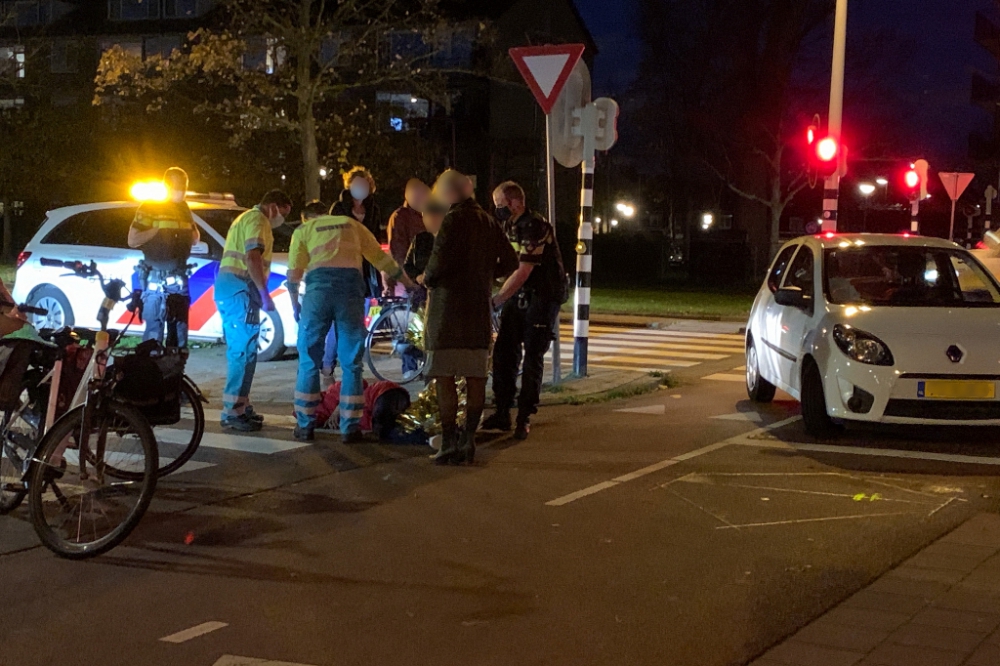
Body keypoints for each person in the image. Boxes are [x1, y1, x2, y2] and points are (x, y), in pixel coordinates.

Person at [287, 195, 415, 443]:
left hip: (317, 294)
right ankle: (350, 428)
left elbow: (294, 275)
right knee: (352, 364)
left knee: (309, 360)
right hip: (349, 293)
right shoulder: (352, 225)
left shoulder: (304, 230)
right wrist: (408, 284)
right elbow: (381, 259)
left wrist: (296, 305)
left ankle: (305, 425)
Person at [422, 169, 519, 465]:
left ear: (449, 193)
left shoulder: (452, 220)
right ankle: (469, 441)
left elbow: (437, 265)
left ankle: (449, 442)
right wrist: (486, 276)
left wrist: (427, 279)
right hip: (477, 309)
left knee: (446, 377)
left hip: (448, 311)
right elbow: (512, 260)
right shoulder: (489, 221)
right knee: (476, 376)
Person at [482, 181, 567, 440]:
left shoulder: (535, 226)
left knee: (532, 356)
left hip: (542, 296)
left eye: (500, 205)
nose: (498, 210)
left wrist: (497, 300)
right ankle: (502, 410)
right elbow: (505, 262)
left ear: (515, 202)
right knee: (504, 353)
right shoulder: (509, 225)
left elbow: (523, 270)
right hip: (520, 296)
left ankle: (524, 416)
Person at [214, 189, 292, 432]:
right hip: (240, 290)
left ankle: (241, 405)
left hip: (238, 290)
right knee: (241, 351)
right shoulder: (257, 220)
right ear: (273, 207)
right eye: (283, 213)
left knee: (247, 350)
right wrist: (264, 294)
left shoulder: (247, 218)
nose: (282, 219)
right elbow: (252, 258)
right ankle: (232, 412)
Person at [128, 167, 200, 348]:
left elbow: (195, 237)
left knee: (179, 333)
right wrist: (157, 231)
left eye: (184, 186)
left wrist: (189, 232)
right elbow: (132, 239)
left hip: (179, 278)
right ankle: (152, 369)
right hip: (156, 278)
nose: (181, 190)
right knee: (154, 333)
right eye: (177, 185)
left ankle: (176, 370)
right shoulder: (150, 207)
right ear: (167, 185)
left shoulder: (183, 207)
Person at [323, 166, 382, 383]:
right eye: (356, 183)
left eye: (365, 184)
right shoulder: (339, 208)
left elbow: (374, 240)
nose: (360, 188)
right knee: (339, 322)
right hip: (343, 270)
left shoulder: (373, 209)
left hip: (366, 273)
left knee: (361, 321)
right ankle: (328, 367)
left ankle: (352, 366)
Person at [386, 179, 430, 295]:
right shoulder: (400, 217)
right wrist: (410, 281)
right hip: (411, 282)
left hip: (426, 279)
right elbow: (399, 253)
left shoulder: (431, 215)